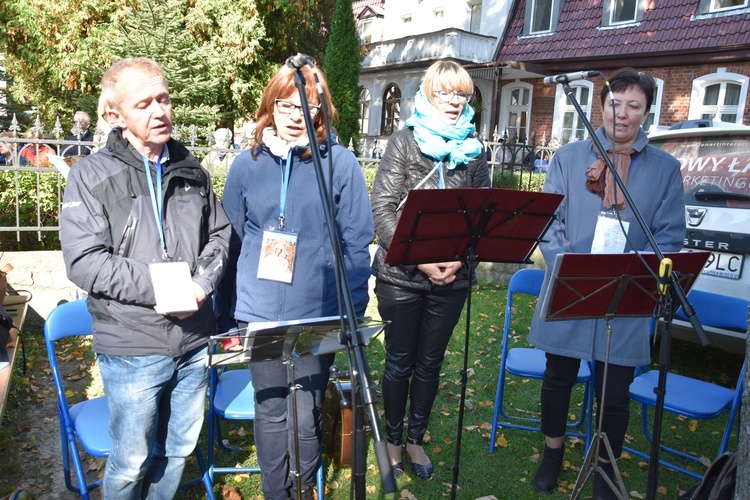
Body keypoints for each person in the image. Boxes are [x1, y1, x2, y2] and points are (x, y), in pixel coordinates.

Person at [59, 57, 231, 498]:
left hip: (194, 339)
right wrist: (163, 285)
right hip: (133, 346)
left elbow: (222, 235)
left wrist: (202, 284)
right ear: (115, 116)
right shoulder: (90, 175)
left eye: (164, 98)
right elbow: (85, 261)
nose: (160, 111)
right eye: (144, 104)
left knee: (177, 450)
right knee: (131, 459)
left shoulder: (191, 169)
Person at [217, 62, 373, 500]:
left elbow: (357, 243)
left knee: (305, 411)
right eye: (283, 104)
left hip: (316, 309)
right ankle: (276, 493)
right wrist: (225, 314)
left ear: (320, 106)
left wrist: (353, 311)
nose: (292, 113)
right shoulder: (246, 165)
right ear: (271, 106)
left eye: (303, 104)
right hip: (258, 311)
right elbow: (228, 241)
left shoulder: (339, 164)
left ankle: (304, 492)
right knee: (270, 411)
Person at [528, 67, 685, 498]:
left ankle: (604, 468)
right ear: (602, 106)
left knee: (615, 394)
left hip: (625, 295)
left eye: (634, 106)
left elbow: (670, 237)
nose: (623, 114)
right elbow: (548, 223)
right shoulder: (569, 157)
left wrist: (641, 272)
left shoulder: (666, 169)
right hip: (571, 289)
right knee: (557, 377)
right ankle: (553, 452)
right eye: (615, 103)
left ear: (646, 113)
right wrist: (571, 271)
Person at [370, 60, 490, 480]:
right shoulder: (403, 142)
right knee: (400, 361)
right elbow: (382, 211)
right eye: (445, 93)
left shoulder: (474, 151)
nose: (454, 102)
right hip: (401, 277)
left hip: (452, 278)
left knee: (430, 364)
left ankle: (415, 438)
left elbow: (482, 218)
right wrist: (421, 260)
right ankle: (391, 437)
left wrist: (458, 261)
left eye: (461, 94)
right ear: (428, 94)